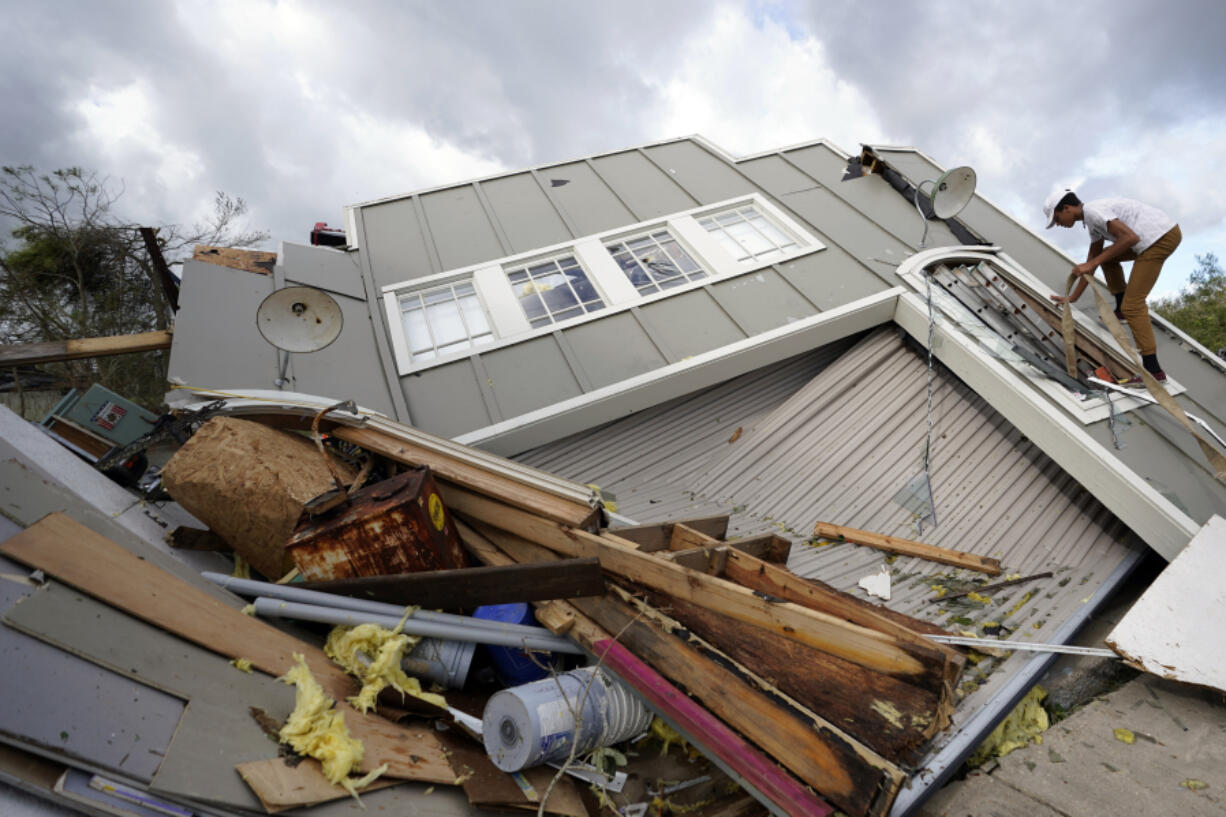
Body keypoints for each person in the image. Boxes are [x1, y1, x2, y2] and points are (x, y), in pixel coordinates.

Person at [1043, 188, 1181, 384]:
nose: (1058, 224)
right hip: (1154, 236)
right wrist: (1073, 297)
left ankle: (1153, 372)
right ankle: (1121, 308)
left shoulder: (1093, 212)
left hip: (1159, 238)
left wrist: (1091, 263)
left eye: (1057, 218)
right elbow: (1092, 261)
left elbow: (1129, 238)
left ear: (1066, 208)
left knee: (1134, 306)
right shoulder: (1091, 222)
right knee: (1106, 259)